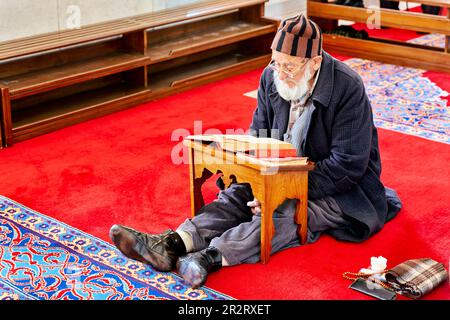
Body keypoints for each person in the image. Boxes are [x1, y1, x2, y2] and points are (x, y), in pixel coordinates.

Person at [109, 14, 402, 289]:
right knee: (236, 196)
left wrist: (280, 190)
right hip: (277, 170)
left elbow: (347, 165)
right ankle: (171, 244)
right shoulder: (270, 77)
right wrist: (250, 177)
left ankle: (209, 257)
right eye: (277, 63)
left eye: (290, 66)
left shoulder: (347, 87)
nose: (281, 73)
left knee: (289, 212)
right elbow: (259, 136)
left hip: (338, 188)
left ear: (314, 64)